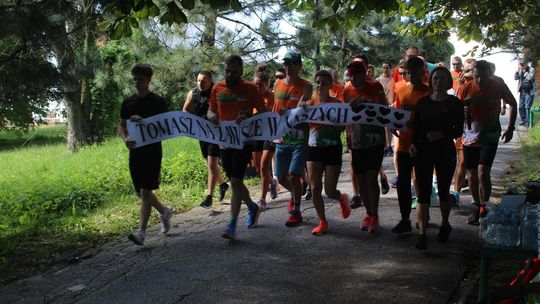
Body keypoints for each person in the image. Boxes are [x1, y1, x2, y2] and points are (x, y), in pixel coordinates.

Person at [207, 55, 266, 240]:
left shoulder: (250, 89)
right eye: (227, 71)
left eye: (233, 71)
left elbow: (262, 114)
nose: (230, 74)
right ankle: (252, 207)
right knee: (236, 182)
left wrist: (248, 115)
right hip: (224, 142)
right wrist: (211, 117)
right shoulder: (217, 87)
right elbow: (211, 110)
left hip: (243, 142)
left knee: (235, 179)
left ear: (241, 71)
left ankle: (232, 225)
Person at [410, 67, 464, 249]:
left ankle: (445, 223)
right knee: (422, 193)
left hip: (444, 151)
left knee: (443, 190)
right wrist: (413, 144)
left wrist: (442, 134)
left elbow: (458, 130)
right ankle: (422, 233)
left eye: (441, 78)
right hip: (423, 151)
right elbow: (416, 128)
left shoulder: (455, 103)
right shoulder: (422, 103)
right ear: (431, 81)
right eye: (435, 78)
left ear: (448, 81)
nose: (438, 81)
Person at [458, 60, 517, 225]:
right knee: (471, 176)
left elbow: (513, 103)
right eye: (476, 76)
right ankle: (476, 206)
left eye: (483, 77)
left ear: (490, 74)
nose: (479, 80)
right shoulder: (466, 88)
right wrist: (461, 112)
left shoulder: (498, 86)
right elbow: (455, 110)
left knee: (483, 172)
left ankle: (484, 205)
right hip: (469, 137)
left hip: (490, 136)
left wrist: (511, 127)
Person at [119, 64, 172, 246]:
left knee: (145, 191)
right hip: (135, 152)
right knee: (141, 193)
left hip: (152, 151)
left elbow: (166, 128)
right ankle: (164, 211)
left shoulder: (158, 102)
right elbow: (122, 125)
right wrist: (125, 139)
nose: (136, 83)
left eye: (140, 79)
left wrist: (145, 123)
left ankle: (141, 232)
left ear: (149, 80)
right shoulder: (128, 102)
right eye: (135, 79)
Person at [343, 61, 387, 233]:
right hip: (357, 140)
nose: (354, 78)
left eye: (357, 75)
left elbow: (383, 109)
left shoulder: (374, 86)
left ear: (365, 74)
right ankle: (368, 213)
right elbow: (345, 114)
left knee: (371, 179)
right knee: (361, 181)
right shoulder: (347, 89)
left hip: (375, 139)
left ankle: (375, 215)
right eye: (351, 75)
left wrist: (365, 104)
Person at [306, 70, 350, 236]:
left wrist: (331, 122)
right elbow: (296, 120)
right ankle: (322, 221)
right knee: (315, 187)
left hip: (332, 148)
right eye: (317, 82)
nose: (320, 85)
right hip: (313, 147)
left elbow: (342, 128)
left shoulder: (337, 103)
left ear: (330, 85)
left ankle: (341, 198)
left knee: (330, 190)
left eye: (324, 83)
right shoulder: (309, 104)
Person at [391, 57, 432, 234]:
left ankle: (424, 217)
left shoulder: (429, 93)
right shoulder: (400, 90)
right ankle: (404, 218)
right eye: (409, 72)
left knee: (423, 182)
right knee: (402, 182)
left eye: (416, 72)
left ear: (422, 72)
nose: (412, 76)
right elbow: (399, 113)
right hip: (404, 144)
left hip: (423, 144)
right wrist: (394, 124)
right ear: (406, 73)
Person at [273, 50, 313, 227]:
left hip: (299, 137)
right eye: (286, 64)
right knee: (281, 178)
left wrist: (303, 105)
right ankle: (296, 193)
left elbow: (305, 104)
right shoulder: (277, 84)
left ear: (299, 66)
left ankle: (296, 211)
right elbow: (275, 109)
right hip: (282, 137)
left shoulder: (306, 85)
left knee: (294, 174)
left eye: (292, 64)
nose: (288, 67)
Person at [183, 71, 229, 208]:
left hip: (216, 133)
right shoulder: (192, 93)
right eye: (198, 80)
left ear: (210, 81)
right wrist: (190, 123)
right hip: (201, 133)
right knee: (209, 163)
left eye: (203, 81)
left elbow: (225, 110)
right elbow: (184, 110)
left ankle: (209, 197)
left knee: (211, 164)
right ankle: (223, 184)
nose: (200, 84)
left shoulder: (217, 92)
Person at [450, 58, 476, 205]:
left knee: (477, 166)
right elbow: (455, 107)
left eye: (470, 70)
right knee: (462, 161)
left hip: (479, 130)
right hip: (464, 130)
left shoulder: (481, 85)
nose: (466, 73)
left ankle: (476, 195)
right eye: (465, 70)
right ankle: (456, 193)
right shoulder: (461, 86)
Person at [253, 64, 277, 211]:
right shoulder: (252, 98)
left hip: (270, 136)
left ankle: (262, 200)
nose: (257, 88)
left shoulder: (274, 97)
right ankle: (272, 183)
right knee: (257, 169)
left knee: (263, 166)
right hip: (256, 135)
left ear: (267, 84)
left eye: (260, 85)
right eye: (255, 85)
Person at [376, 61, 396, 159]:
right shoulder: (378, 80)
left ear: (390, 68)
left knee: (388, 126)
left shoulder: (393, 80)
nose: (385, 69)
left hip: (391, 105)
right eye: (383, 67)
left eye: (387, 68)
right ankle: (384, 146)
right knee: (382, 127)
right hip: (380, 105)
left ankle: (389, 146)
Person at [514, 60, 536, 126]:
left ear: (526, 64)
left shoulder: (531, 69)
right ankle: (523, 120)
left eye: (523, 64)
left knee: (527, 107)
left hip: (529, 91)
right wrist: (517, 71)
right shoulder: (520, 69)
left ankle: (528, 122)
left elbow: (530, 78)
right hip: (522, 91)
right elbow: (515, 78)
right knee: (521, 107)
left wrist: (524, 72)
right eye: (521, 65)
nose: (522, 66)